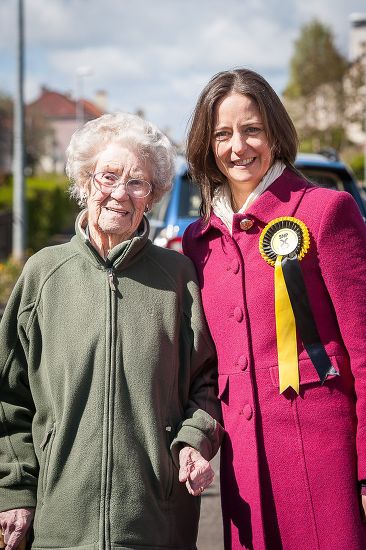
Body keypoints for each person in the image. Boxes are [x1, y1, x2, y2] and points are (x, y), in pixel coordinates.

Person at [0, 112, 224, 550]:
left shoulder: (178, 277)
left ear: (153, 196)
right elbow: (9, 398)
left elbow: (208, 381)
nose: (120, 193)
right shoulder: (43, 275)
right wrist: (14, 493)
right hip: (60, 523)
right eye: (108, 176)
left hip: (156, 522)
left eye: (137, 183)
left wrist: (195, 440)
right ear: (85, 182)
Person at [182, 68, 366, 550]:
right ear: (208, 145)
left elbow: (365, 354)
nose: (238, 146)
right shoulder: (197, 242)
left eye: (252, 129)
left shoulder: (327, 212)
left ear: (275, 134)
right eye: (223, 134)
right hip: (243, 473)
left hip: (327, 463)